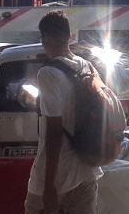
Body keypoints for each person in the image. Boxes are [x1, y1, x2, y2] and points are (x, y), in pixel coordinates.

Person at [26, 11, 101, 214]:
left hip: (58, 176)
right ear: (69, 37)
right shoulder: (88, 67)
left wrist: (49, 185)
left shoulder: (49, 73)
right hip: (87, 170)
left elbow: (54, 131)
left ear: (46, 38)